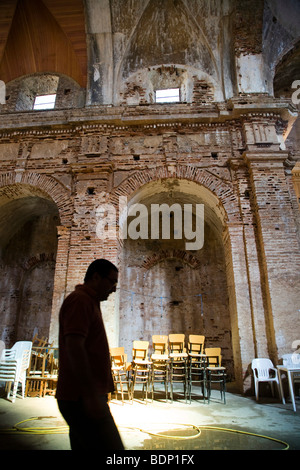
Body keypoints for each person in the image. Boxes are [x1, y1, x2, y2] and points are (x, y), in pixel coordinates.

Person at [56, 259, 124, 451]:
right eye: (112, 282)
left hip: (85, 397)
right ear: (96, 277)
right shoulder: (80, 301)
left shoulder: (89, 302)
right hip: (82, 398)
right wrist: (90, 395)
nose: (114, 289)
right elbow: (75, 348)